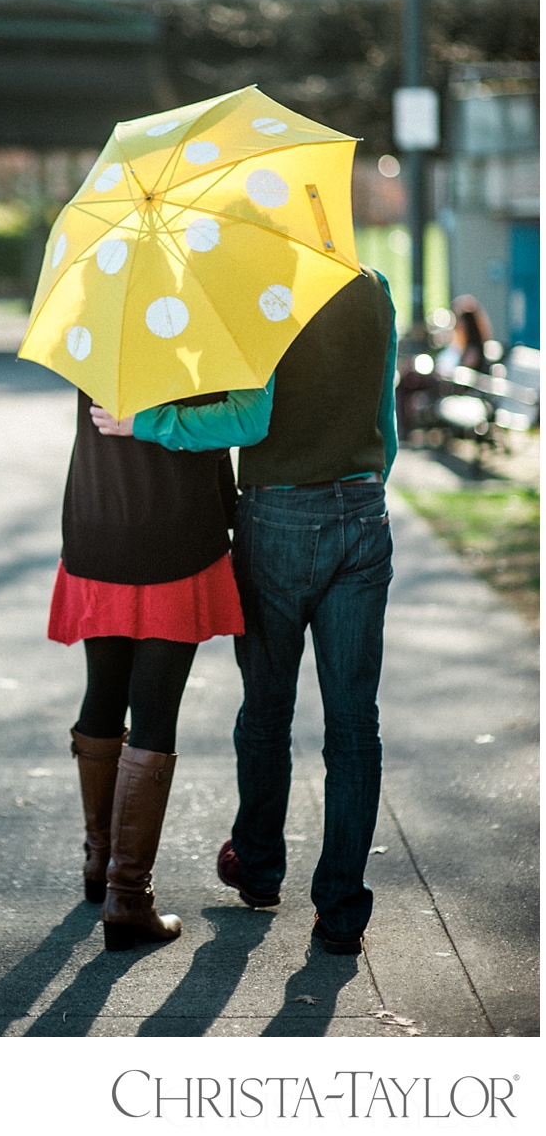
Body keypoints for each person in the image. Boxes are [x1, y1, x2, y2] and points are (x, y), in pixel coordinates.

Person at [94, 266, 398, 956]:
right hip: (362, 511)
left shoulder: (262, 289)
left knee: (266, 708)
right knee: (354, 726)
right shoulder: (372, 286)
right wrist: (360, 487)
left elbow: (248, 417)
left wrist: (146, 421)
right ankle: (342, 913)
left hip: (278, 519)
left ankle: (258, 868)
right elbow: (386, 422)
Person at [52, 386, 243, 950]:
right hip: (172, 533)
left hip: (98, 522)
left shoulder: (99, 317)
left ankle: (100, 863)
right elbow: (214, 431)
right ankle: (128, 896)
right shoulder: (193, 328)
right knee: (155, 706)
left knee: (105, 693)